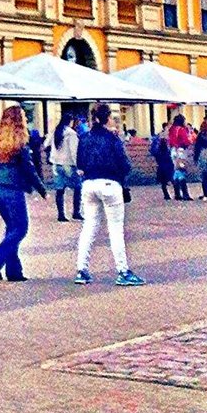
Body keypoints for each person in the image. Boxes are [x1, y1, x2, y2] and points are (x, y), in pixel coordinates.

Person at [74, 103, 145, 287]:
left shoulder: (84, 138)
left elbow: (79, 163)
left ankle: (82, 270)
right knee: (115, 229)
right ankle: (123, 271)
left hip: (89, 184)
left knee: (89, 227)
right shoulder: (113, 139)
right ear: (107, 118)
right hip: (110, 184)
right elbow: (125, 164)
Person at [0, 106, 47, 282]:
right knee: (21, 228)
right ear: (20, 121)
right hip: (11, 189)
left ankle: (14, 272)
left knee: (12, 228)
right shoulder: (20, 143)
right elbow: (29, 170)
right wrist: (42, 190)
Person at [50, 111, 82, 222]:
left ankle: (61, 214)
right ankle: (76, 212)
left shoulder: (56, 131)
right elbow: (74, 152)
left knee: (60, 190)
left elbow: (46, 144)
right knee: (78, 187)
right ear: (71, 121)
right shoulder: (71, 133)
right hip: (68, 164)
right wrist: (78, 166)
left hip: (56, 164)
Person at [167, 113, 194, 200]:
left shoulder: (172, 129)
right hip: (180, 151)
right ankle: (185, 194)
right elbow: (186, 141)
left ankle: (177, 193)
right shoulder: (182, 130)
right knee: (181, 171)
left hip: (173, 151)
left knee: (176, 171)